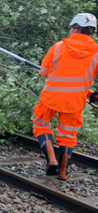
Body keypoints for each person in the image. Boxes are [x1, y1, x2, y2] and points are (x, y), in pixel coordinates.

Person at [33, 13, 98, 180]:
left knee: (41, 123)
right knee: (68, 135)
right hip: (76, 101)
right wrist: (91, 92)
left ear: (75, 28)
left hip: (51, 97)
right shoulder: (96, 53)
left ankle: (52, 160)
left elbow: (45, 73)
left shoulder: (59, 47)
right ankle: (62, 173)